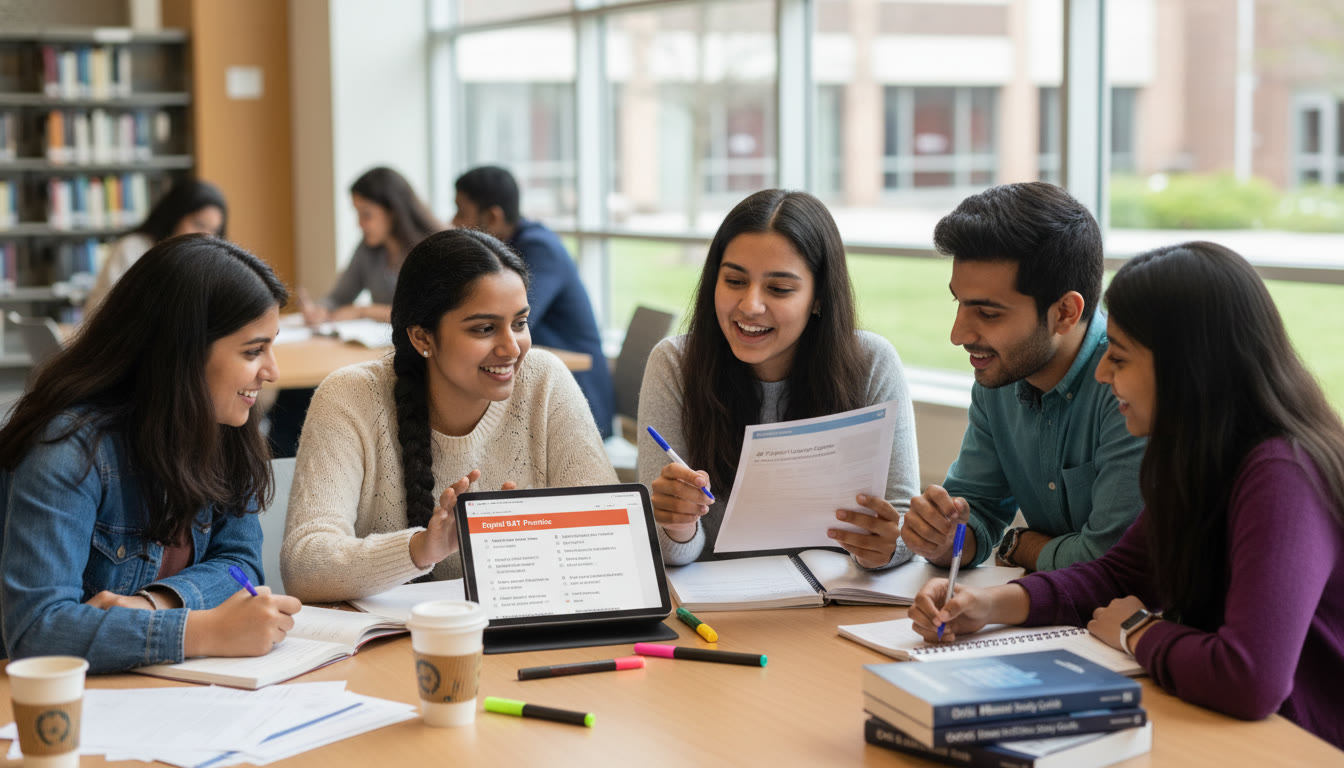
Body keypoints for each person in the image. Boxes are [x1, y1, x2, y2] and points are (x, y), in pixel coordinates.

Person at [908, 242, 1344, 749]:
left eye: (1119, 356)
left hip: (1300, 744)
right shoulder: (1195, 458)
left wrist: (1136, 631)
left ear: (1188, 368)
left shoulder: (1282, 475)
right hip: (1222, 727)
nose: (1101, 373)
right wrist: (986, 604)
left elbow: (1250, 678)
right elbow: (1119, 574)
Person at [0, 235, 301, 674]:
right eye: (253, 351)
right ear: (184, 353)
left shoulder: (226, 429)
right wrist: (205, 631)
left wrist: (151, 604)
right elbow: (37, 633)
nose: (273, 372)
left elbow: (240, 567)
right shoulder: (68, 450)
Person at [281, 228, 618, 603]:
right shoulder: (350, 397)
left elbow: (611, 539)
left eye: (519, 323)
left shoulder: (545, 381)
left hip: (519, 637)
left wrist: (532, 538)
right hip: (390, 650)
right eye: (485, 328)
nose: (511, 347)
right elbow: (303, 567)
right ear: (422, 337)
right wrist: (423, 548)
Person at [637, 189, 918, 569]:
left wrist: (888, 544)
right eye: (734, 281)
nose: (750, 305)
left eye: (780, 289)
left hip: (836, 602)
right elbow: (673, 555)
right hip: (720, 610)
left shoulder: (871, 362)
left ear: (818, 297)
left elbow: (901, 527)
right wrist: (679, 524)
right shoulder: (675, 364)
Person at [902, 182, 1145, 572]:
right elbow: (974, 513)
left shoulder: (1133, 387)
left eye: (988, 313)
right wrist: (945, 540)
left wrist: (1019, 545)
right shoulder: (1002, 373)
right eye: (959, 303)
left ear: (1065, 312)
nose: (958, 334)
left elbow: (1112, 562)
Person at [452, 165, 615, 439]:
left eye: (461, 211)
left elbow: (508, 316)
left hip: (576, 398)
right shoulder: (507, 251)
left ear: (493, 216)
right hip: (530, 386)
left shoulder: (538, 250)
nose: (454, 221)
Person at [301, 166, 442, 324]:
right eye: (357, 213)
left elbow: (428, 314)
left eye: (366, 214)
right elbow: (339, 297)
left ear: (393, 212)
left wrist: (364, 311)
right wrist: (320, 310)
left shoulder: (433, 250)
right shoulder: (367, 249)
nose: (359, 224)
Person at [84, 177, 227, 312]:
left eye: (214, 230)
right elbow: (104, 311)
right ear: (175, 216)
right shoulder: (131, 249)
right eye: (198, 224)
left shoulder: (207, 263)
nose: (205, 236)